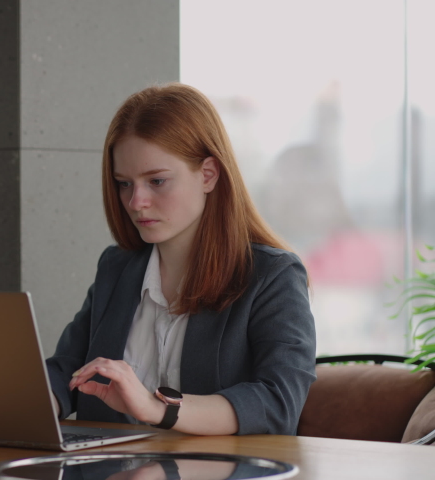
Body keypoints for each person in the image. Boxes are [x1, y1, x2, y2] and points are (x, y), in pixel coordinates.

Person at [45, 83, 316, 436]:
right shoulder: (117, 268)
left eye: (156, 181)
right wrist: (27, 405)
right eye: (124, 183)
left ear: (208, 175)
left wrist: (157, 408)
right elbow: (70, 368)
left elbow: (278, 402)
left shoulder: (272, 276)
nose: (135, 201)